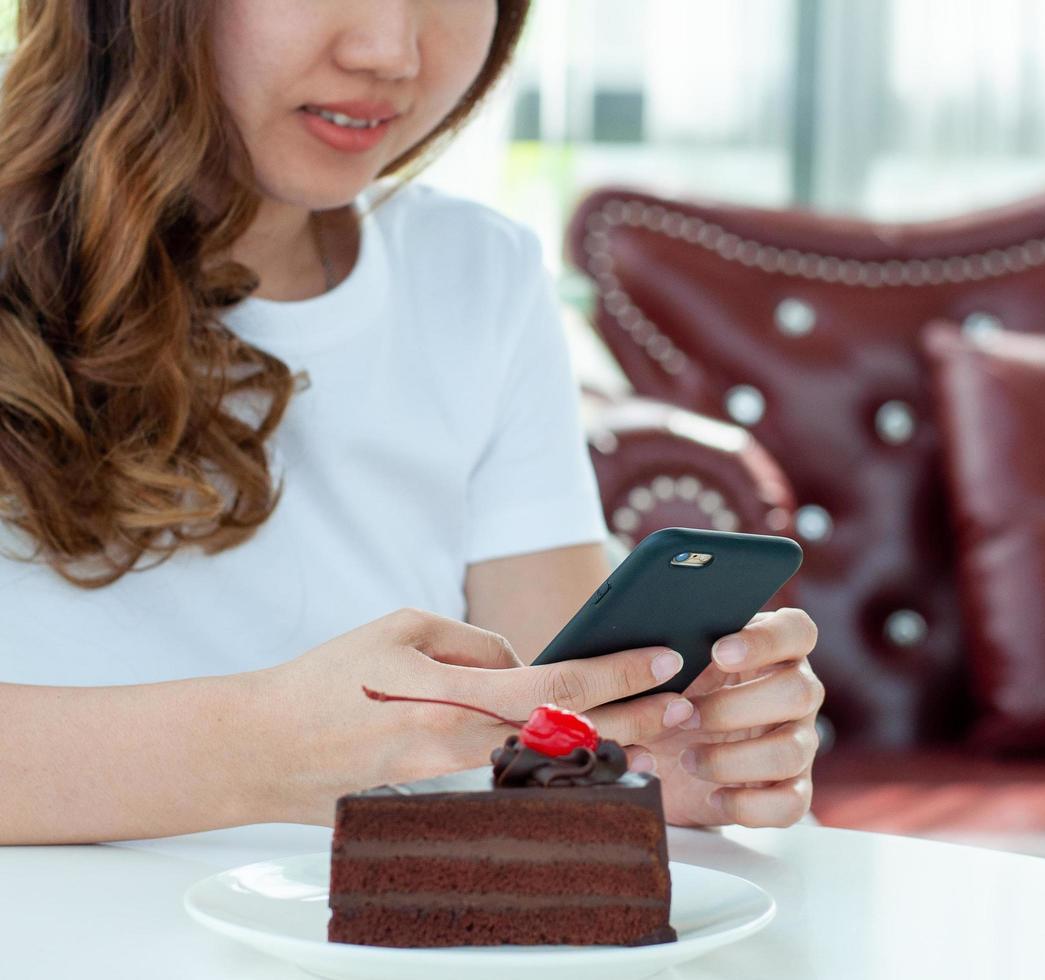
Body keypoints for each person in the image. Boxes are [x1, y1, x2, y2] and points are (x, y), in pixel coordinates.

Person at [0, 0, 823, 845]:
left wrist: (659, 763)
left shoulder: (479, 272)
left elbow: (557, 711)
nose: (389, 52)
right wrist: (260, 748)